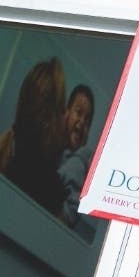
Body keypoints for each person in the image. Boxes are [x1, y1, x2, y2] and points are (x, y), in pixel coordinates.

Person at [0, 57, 69, 216]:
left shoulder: (7, 150)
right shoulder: (50, 187)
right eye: (63, 108)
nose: (66, 115)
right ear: (51, 117)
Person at [58, 84, 95, 227]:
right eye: (78, 113)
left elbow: (68, 215)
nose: (82, 122)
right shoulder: (56, 151)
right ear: (66, 113)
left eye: (88, 121)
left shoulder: (78, 165)